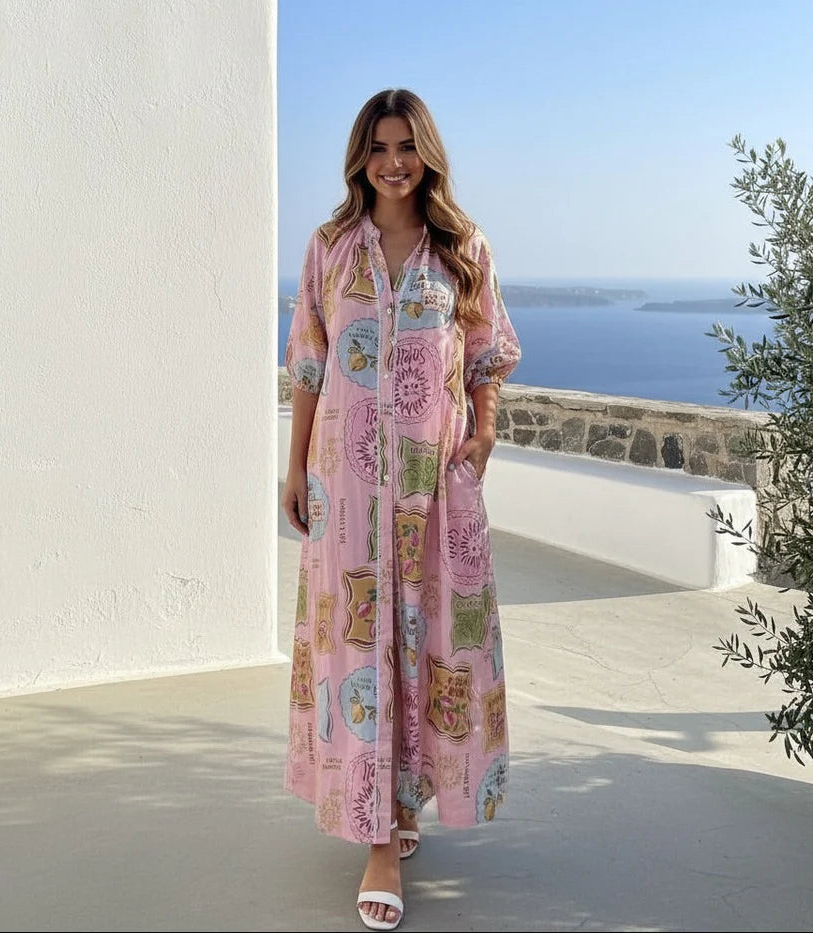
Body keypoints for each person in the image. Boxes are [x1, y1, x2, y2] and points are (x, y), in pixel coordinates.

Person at [282, 88, 521, 931]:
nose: (393, 163)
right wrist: (293, 468)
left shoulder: (463, 247)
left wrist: (483, 434)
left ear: (427, 154)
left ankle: (404, 796)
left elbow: (487, 355)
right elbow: (307, 365)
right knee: (359, 647)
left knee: (432, 642)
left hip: (434, 484)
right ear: (360, 156)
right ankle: (378, 837)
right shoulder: (328, 248)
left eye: (406, 147)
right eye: (378, 147)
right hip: (346, 492)